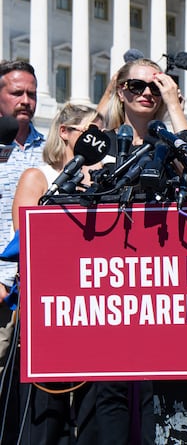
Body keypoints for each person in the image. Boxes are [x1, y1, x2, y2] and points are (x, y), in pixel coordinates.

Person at [96, 57, 187, 445]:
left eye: (156, 86)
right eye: (136, 86)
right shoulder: (103, 141)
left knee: (158, 386)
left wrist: (176, 109)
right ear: (121, 91)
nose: (146, 93)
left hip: (163, 279)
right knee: (111, 387)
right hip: (112, 279)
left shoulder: (172, 138)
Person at [11, 103, 103, 444]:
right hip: (50, 311)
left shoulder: (106, 181)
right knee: (46, 417)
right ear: (64, 131)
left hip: (94, 312)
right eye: (91, 131)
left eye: (102, 133)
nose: (98, 140)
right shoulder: (39, 177)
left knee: (93, 414)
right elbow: (25, 241)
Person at [0, 60, 44, 438]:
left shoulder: (47, 149)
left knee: (19, 396)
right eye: (17, 93)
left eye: (31, 93)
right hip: (0, 286)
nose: (26, 100)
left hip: (32, 291)